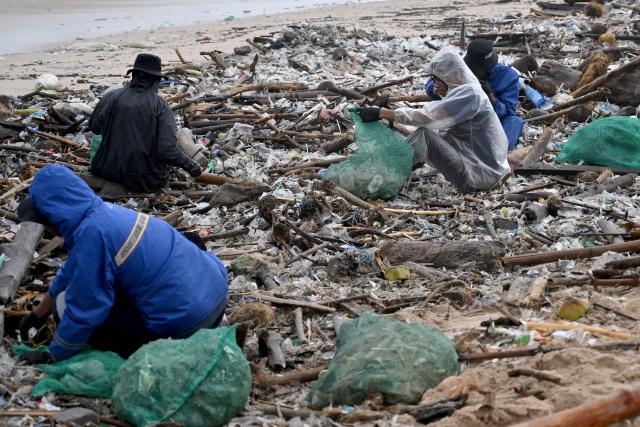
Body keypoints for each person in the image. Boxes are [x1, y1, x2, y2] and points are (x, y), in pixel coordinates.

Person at [17, 165, 228, 363]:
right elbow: (71, 271)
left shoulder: (93, 236)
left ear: (54, 216)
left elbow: (86, 307)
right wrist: (36, 315)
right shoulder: (105, 213)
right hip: (215, 294)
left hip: (188, 324)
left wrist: (54, 356)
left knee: (64, 308)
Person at [358, 46, 510, 194]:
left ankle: (379, 180)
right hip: (479, 175)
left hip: (479, 179)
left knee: (423, 135)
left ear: (455, 75)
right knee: (423, 134)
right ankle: (379, 177)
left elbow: (427, 118)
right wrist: (396, 125)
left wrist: (381, 113)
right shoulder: (463, 93)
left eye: (438, 79)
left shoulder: (471, 95)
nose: (436, 86)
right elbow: (436, 130)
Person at [89, 53, 202, 193]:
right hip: (144, 180)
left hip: (105, 170)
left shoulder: (111, 97)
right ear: (155, 81)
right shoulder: (160, 106)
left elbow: (94, 128)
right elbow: (167, 150)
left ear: (134, 76)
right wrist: (191, 166)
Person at [425, 39, 524, 150]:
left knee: (514, 121)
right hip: (462, 117)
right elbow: (430, 86)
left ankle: (499, 151)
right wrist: (441, 87)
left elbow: (508, 111)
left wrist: (490, 98)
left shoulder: (508, 76)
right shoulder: (459, 68)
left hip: (492, 121)